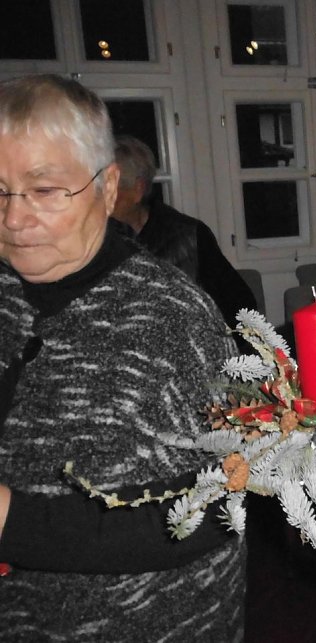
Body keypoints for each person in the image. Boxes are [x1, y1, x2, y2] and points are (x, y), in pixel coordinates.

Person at [0, 75, 245, 641]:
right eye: (1, 190)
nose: (14, 219)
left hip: (144, 623)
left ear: (108, 188)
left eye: (44, 190)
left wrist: (13, 522)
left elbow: (220, 504)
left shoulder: (173, 320)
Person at [112, 134, 257, 325]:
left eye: (111, 188)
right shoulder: (95, 241)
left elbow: (241, 307)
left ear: (138, 189)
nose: (100, 198)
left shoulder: (190, 235)